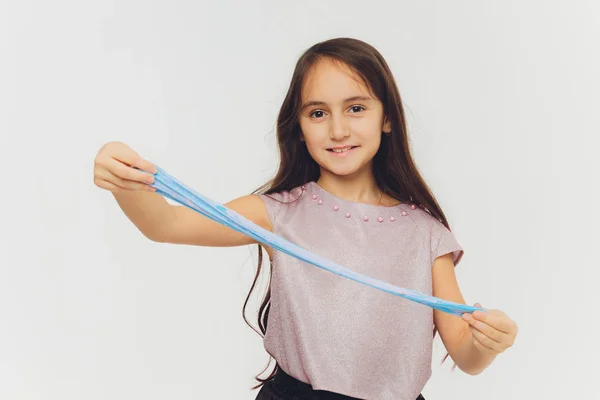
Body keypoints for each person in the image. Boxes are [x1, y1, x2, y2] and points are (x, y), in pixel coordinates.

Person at [93, 37, 518, 400]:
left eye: (356, 108)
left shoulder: (425, 233)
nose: (337, 130)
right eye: (318, 113)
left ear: (386, 117)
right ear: (298, 127)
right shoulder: (278, 213)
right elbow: (165, 225)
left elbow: (465, 355)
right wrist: (124, 180)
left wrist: (488, 342)